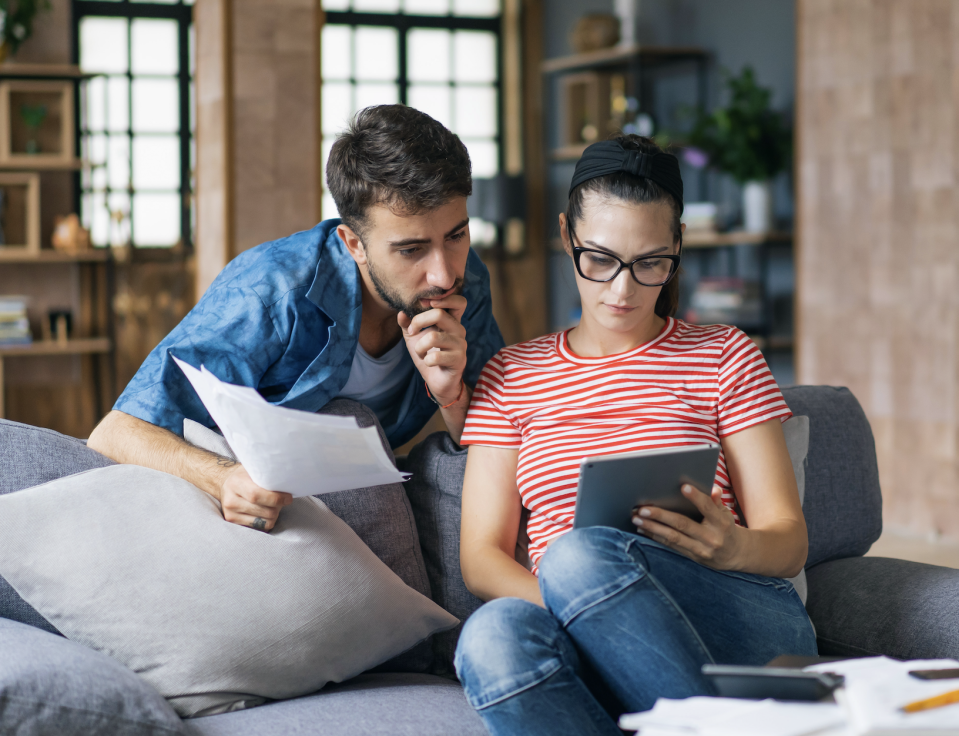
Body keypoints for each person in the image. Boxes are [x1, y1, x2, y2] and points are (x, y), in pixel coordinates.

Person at [454, 136, 816, 736]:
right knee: (491, 636)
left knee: (575, 553)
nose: (622, 290)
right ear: (568, 235)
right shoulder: (512, 374)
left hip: (731, 612)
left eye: (650, 262)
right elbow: (481, 559)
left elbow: (789, 541)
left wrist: (735, 549)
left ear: (676, 247)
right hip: (579, 620)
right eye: (599, 259)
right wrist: (582, 608)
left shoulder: (725, 355)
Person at [87, 105, 504, 533]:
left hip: (364, 487)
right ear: (353, 244)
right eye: (411, 250)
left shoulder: (465, 279)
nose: (444, 273)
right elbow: (116, 432)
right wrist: (223, 477)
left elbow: (499, 435)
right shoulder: (271, 290)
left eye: (456, 235)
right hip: (248, 500)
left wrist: (451, 395)